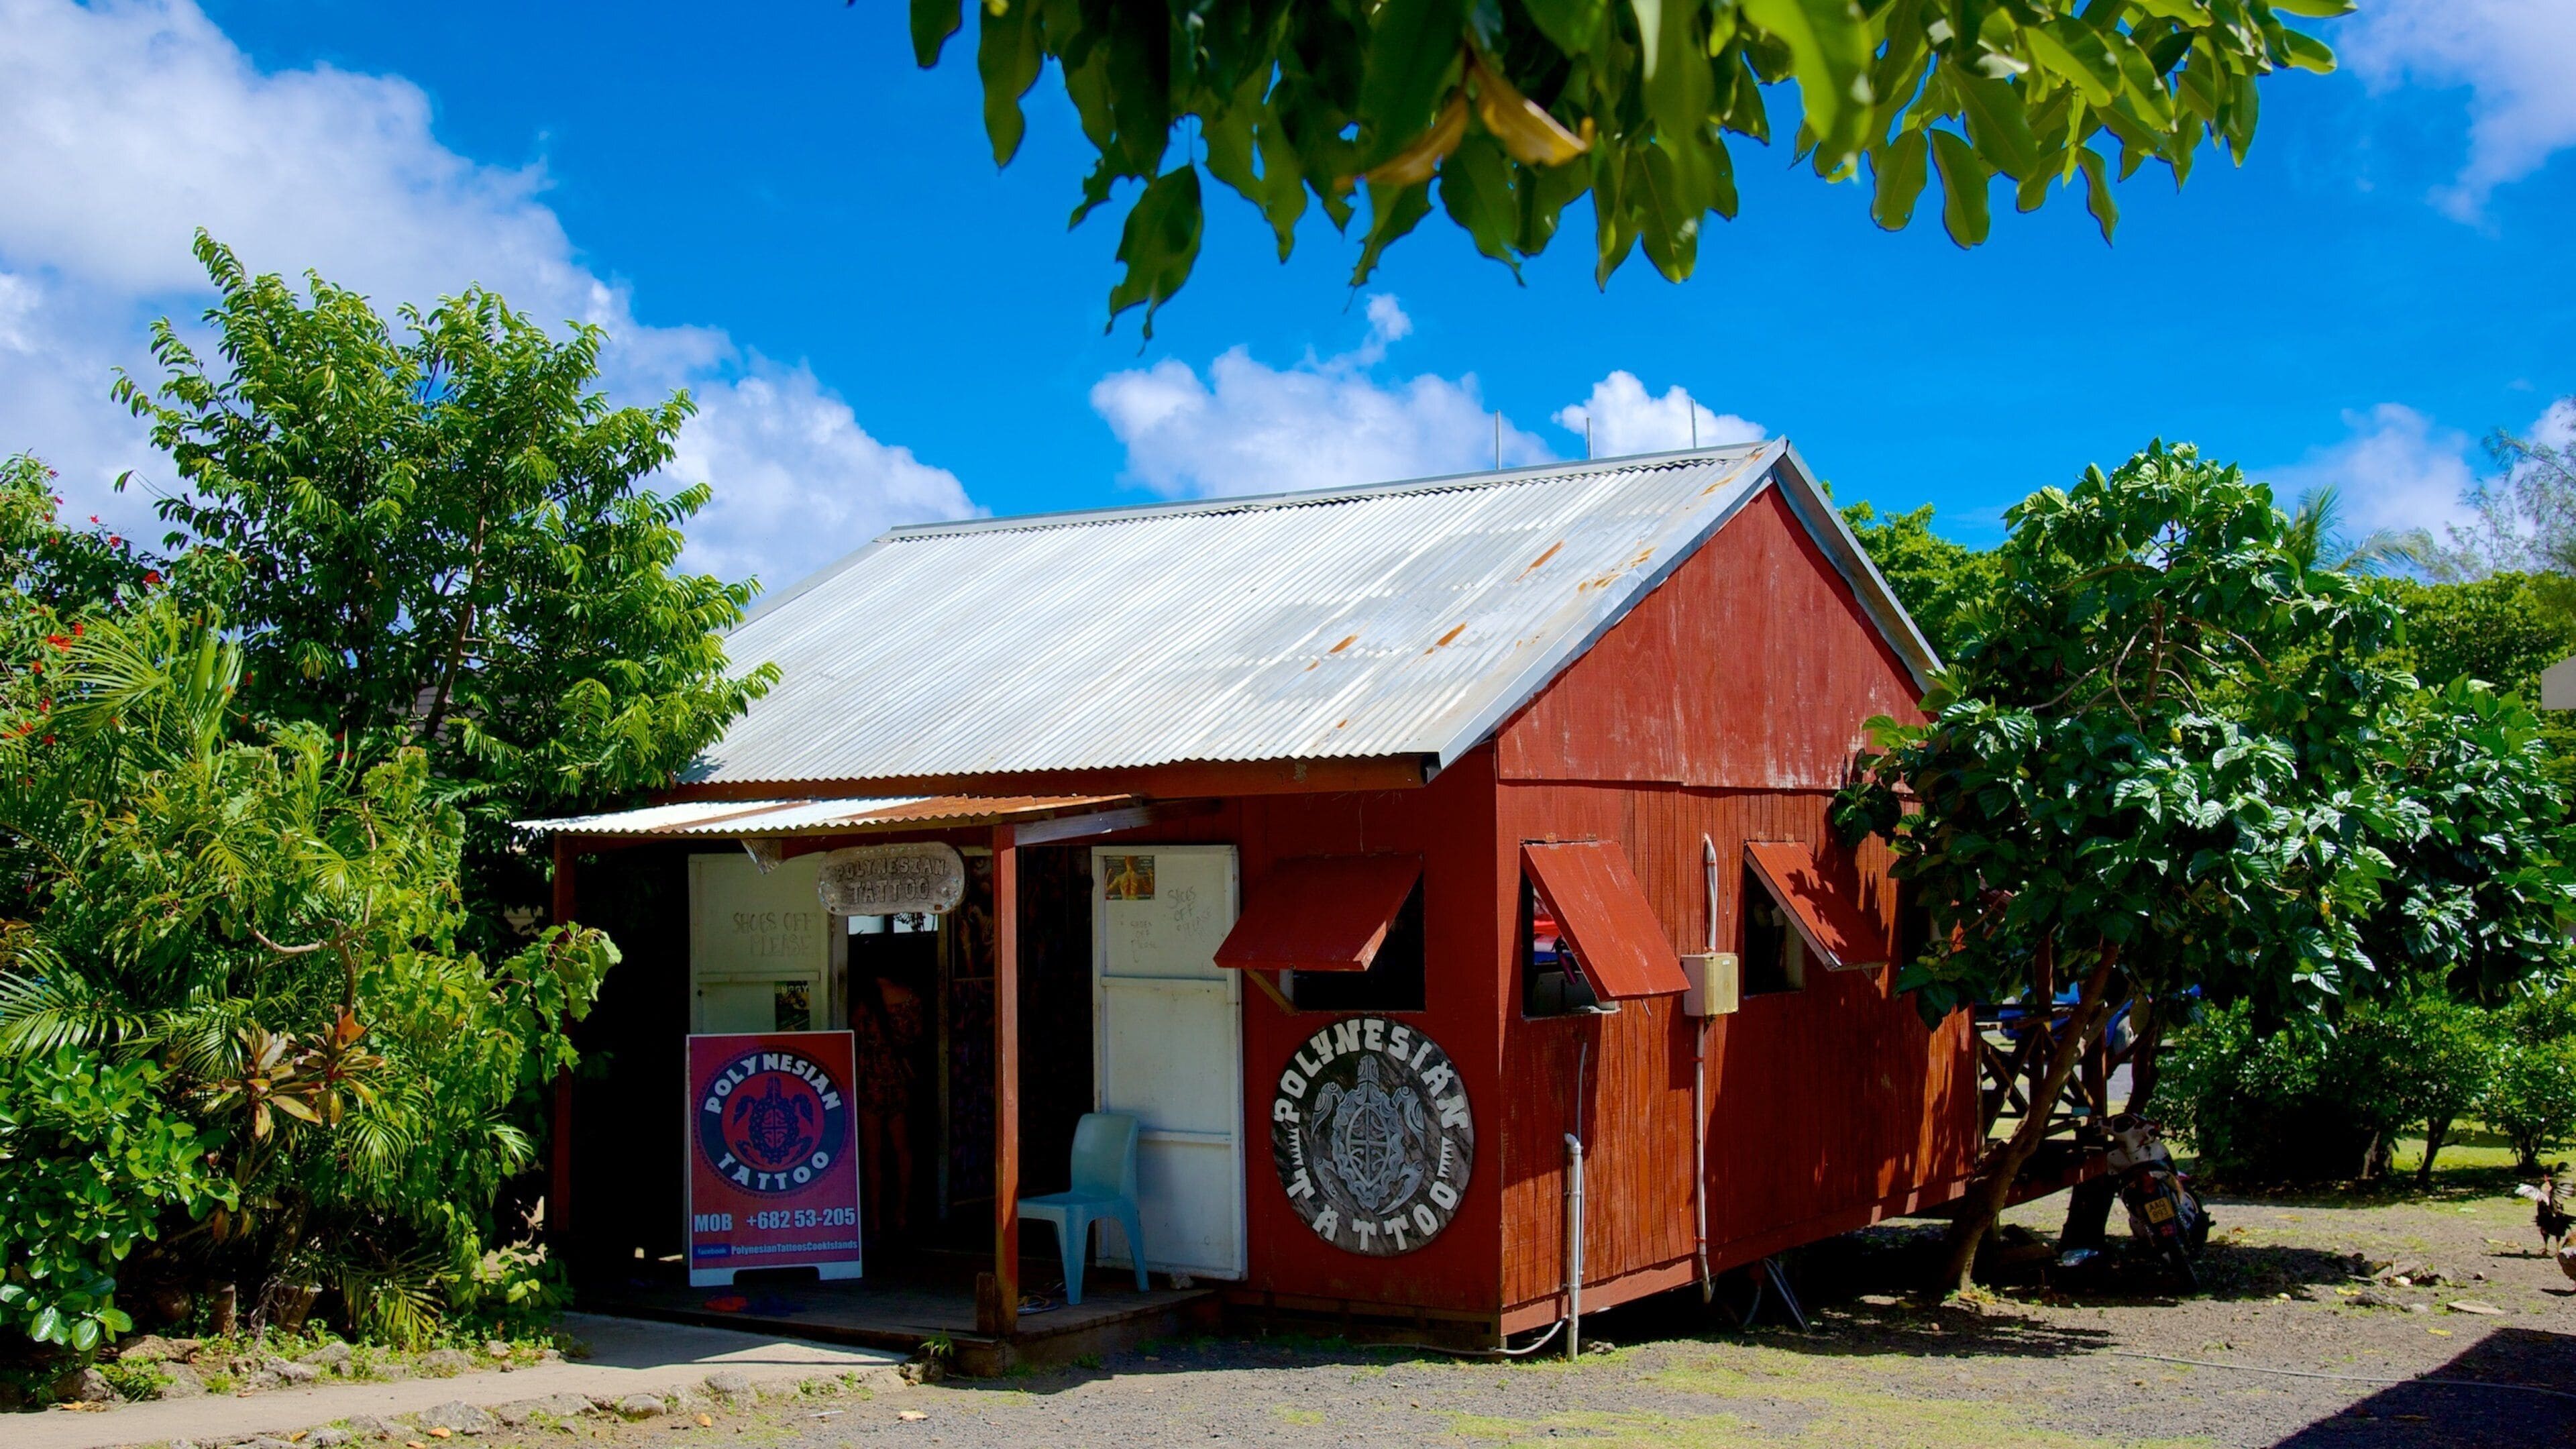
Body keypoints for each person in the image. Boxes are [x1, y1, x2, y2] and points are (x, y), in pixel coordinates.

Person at [853, 969, 924, 1238]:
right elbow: (918, 1034)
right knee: (903, 1150)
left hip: (871, 1082)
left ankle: (876, 1219)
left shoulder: (866, 1001)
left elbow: (855, 1035)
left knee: (873, 1155)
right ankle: (902, 1214)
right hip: (898, 1081)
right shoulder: (910, 998)